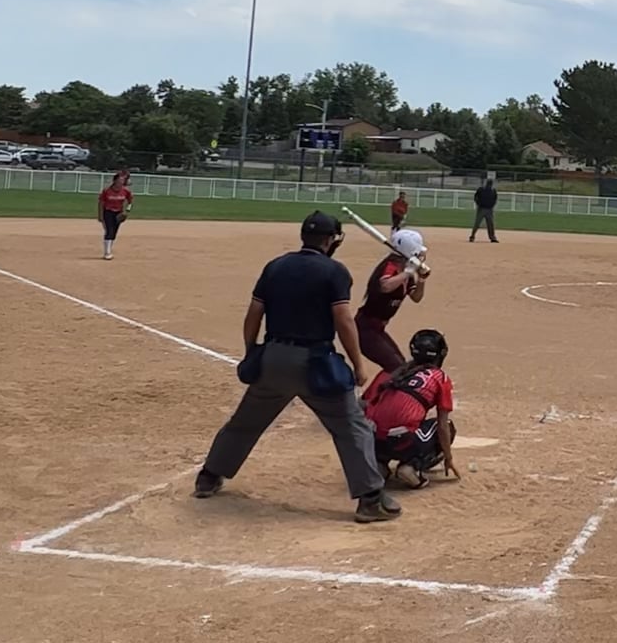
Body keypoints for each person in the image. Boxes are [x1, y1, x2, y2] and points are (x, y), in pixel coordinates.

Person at [192, 210, 400, 524]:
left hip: (273, 358)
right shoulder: (334, 271)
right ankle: (370, 499)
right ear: (330, 240)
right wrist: (358, 364)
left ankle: (209, 477)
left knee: (245, 421)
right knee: (351, 426)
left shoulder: (275, 266)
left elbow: (254, 313)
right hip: (315, 363)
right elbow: (343, 320)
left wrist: (252, 352)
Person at [363, 328, 459, 490]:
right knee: (447, 426)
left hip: (372, 438)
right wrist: (448, 458)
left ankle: (379, 464)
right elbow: (442, 426)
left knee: (385, 424)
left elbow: (365, 404)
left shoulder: (395, 370)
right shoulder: (440, 377)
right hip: (402, 441)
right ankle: (411, 467)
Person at [356, 229, 430, 376]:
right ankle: (376, 392)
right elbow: (385, 286)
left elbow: (416, 297)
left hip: (377, 328)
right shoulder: (391, 265)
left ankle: (377, 391)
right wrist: (408, 272)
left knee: (400, 365)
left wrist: (421, 278)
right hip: (365, 327)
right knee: (397, 367)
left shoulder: (406, 270)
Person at [98, 170, 133, 261]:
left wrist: (127, 211)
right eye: (120, 180)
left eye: (123, 180)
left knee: (114, 232)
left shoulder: (126, 191)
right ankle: (107, 253)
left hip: (118, 213)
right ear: (115, 180)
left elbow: (130, 202)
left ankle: (109, 249)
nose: (122, 181)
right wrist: (100, 216)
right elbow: (101, 203)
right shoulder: (107, 191)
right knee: (109, 231)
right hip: (108, 212)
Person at [470, 179, 499, 243]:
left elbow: (495, 199)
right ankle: (473, 236)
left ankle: (492, 237)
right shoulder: (482, 189)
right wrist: (479, 204)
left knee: (488, 224)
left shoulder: (492, 191)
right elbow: (476, 197)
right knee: (481, 223)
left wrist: (491, 205)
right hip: (484, 209)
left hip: (487, 209)